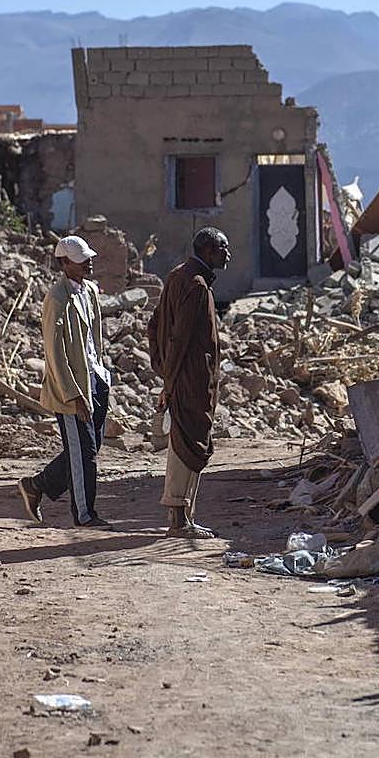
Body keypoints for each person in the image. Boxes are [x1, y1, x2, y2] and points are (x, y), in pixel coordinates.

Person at [18, 235, 111, 528]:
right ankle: (85, 514)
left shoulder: (90, 291)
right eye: (81, 260)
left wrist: (102, 375)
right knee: (84, 456)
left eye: (88, 259)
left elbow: (93, 339)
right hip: (71, 390)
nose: (88, 264)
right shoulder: (56, 299)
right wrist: (73, 394)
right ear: (63, 263)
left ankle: (36, 486)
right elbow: (55, 353)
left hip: (95, 379)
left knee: (89, 447)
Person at [148, 227, 231, 539]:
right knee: (187, 446)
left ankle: (183, 517)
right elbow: (179, 336)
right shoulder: (196, 285)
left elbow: (154, 325)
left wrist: (162, 368)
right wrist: (169, 380)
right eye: (223, 248)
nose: (228, 254)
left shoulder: (178, 276)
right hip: (191, 381)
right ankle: (179, 520)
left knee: (186, 443)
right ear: (208, 251)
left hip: (186, 378)